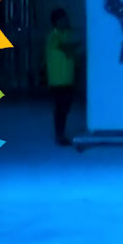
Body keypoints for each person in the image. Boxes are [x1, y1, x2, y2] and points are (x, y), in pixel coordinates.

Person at [46, 9, 81, 146]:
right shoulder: (53, 36)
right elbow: (66, 48)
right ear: (55, 22)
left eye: (65, 19)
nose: (65, 22)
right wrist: (82, 42)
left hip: (68, 78)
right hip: (57, 80)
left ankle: (61, 133)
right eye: (61, 20)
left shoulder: (67, 34)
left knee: (65, 108)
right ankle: (59, 134)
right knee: (60, 108)